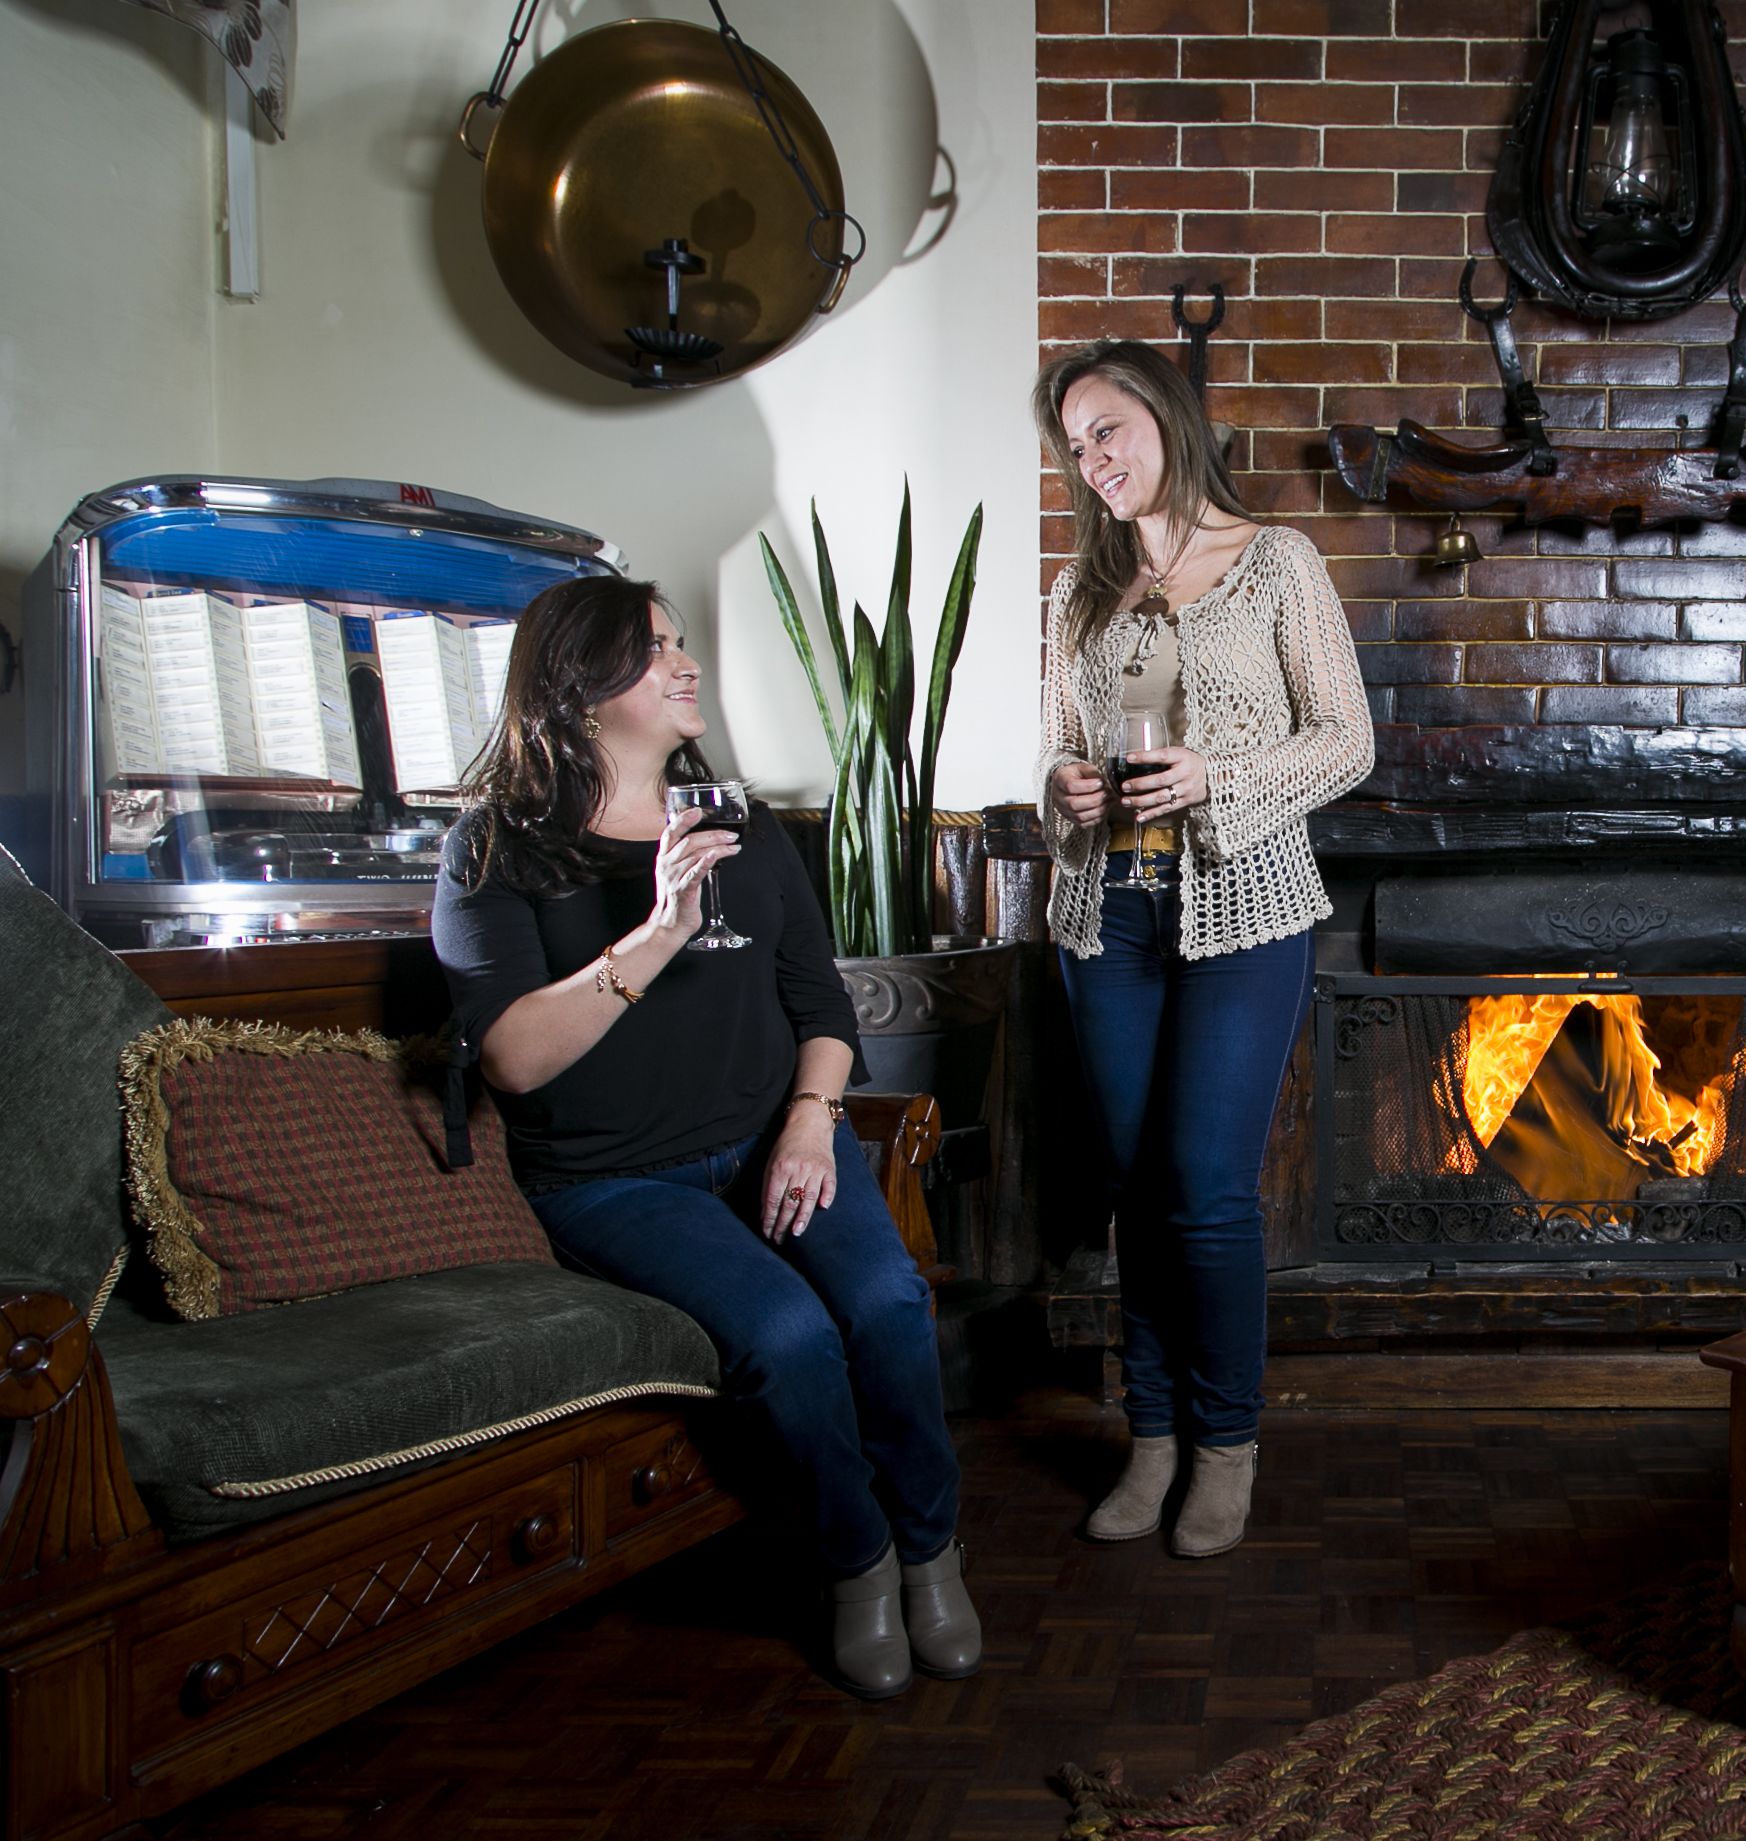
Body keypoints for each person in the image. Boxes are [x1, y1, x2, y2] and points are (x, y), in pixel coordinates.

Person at [430, 575, 975, 1699]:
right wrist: (663, 926)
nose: (686, 665)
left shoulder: (744, 824)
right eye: (654, 651)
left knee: (884, 1302)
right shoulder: (497, 850)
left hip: (774, 1141)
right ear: (578, 686)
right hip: (614, 1182)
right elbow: (515, 1058)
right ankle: (859, 1559)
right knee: (787, 1329)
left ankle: (932, 1546)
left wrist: (811, 1128)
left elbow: (818, 1007)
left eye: (680, 643)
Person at [1032, 338, 1374, 1559]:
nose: (1093, 460)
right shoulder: (1079, 591)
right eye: (1075, 445)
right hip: (1105, 916)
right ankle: (1155, 1436)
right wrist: (1063, 787)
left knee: (1207, 1191)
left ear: (1167, 419)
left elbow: (1345, 741)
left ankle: (1226, 1444)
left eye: (1107, 430)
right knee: (1136, 1191)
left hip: (1244, 908)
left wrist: (1216, 773)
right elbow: (1054, 760)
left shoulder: (1277, 561)